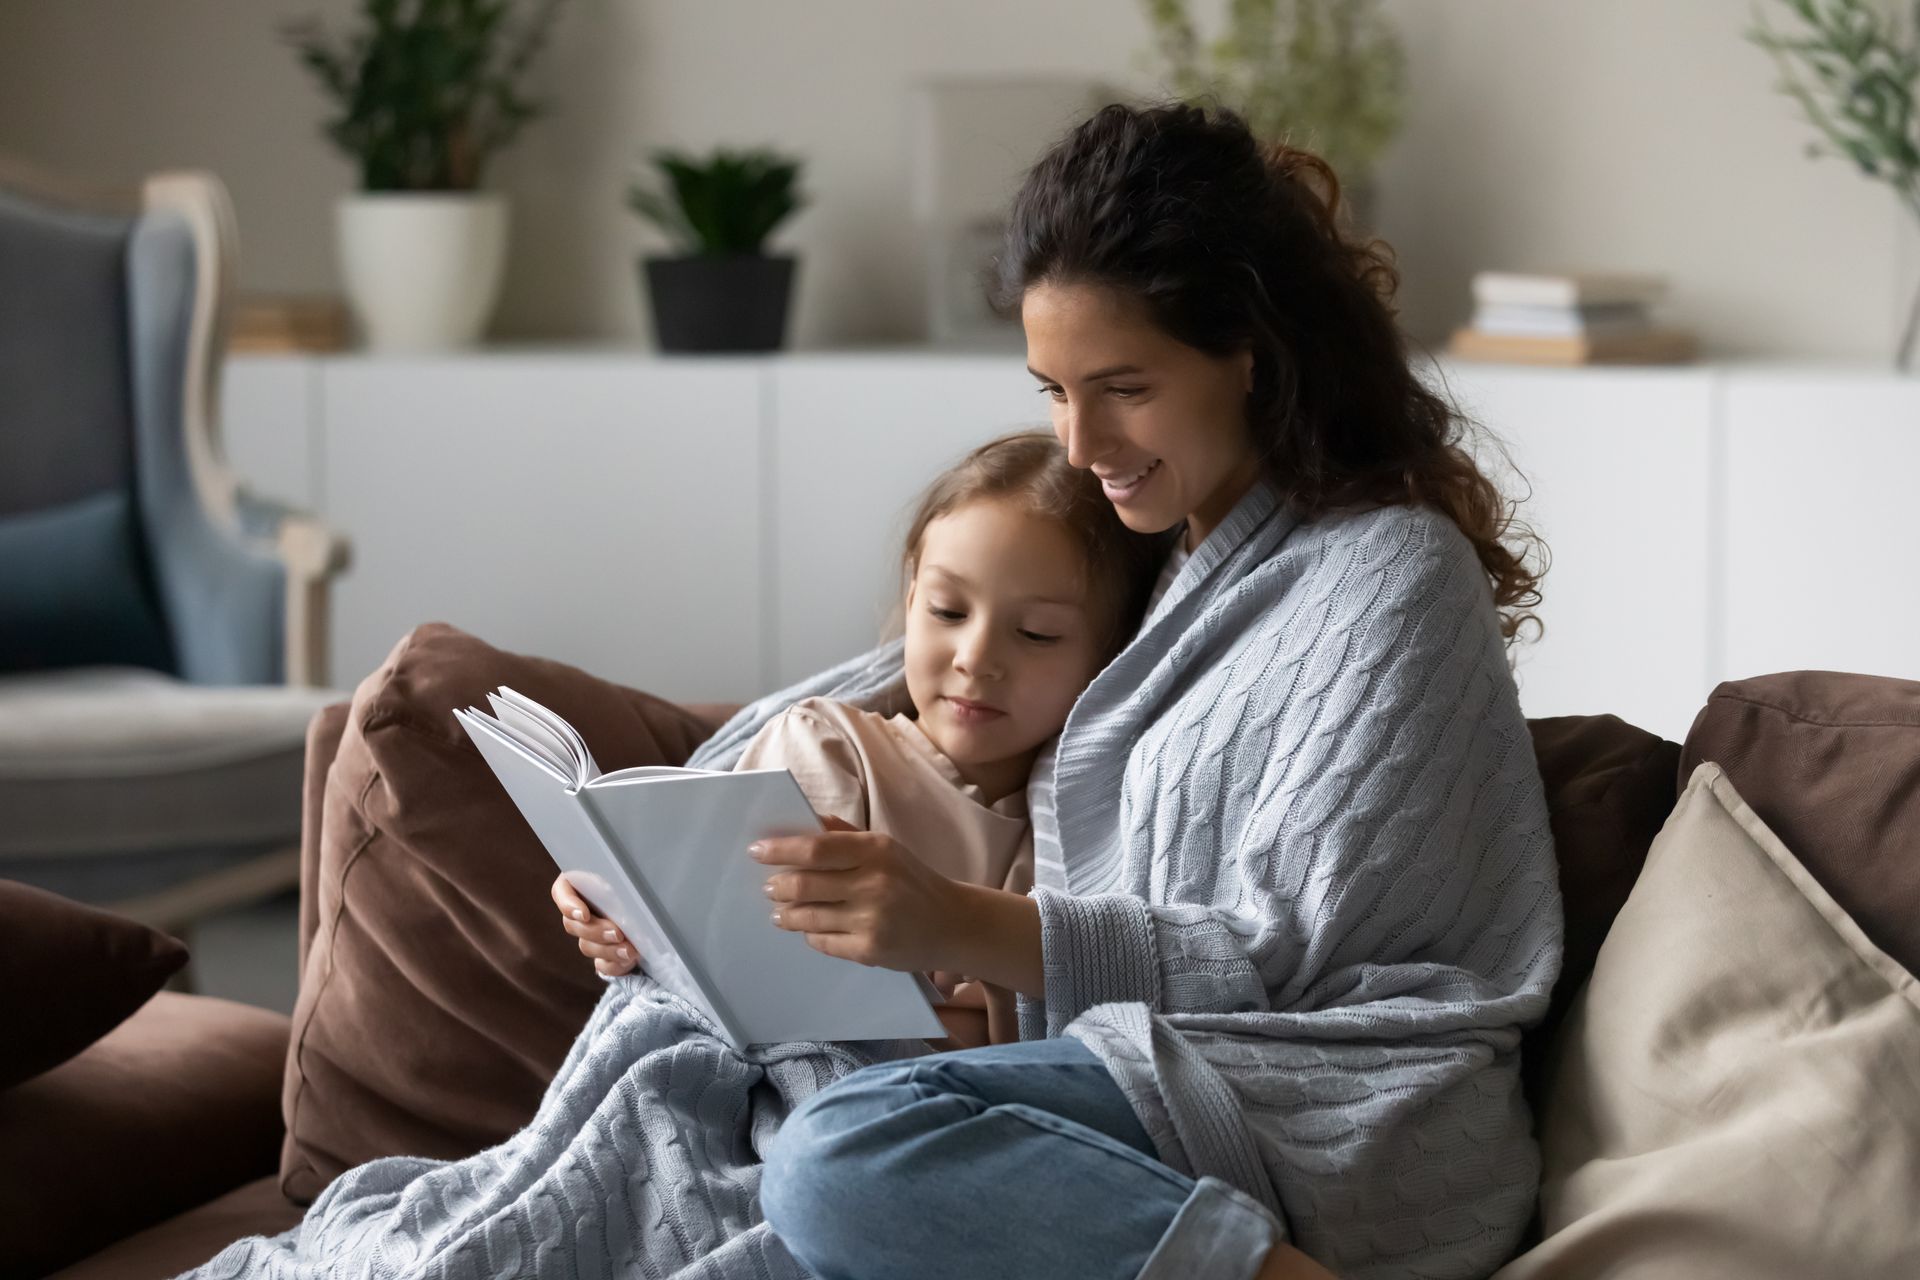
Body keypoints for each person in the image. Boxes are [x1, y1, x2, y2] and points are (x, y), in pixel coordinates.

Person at [688, 103, 1562, 1280]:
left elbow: (1284, 946)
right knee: (766, 1217)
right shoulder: (1157, 560)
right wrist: (661, 870)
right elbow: (925, 702)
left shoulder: (1391, 571)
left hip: (1337, 1103)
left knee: (837, 1153)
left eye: (1123, 387)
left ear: (1250, 353)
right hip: (1135, 1079)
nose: (1081, 440)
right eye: (1052, 388)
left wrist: (961, 922)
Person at [553, 430, 1167, 1050]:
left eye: (1036, 634)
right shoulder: (828, 750)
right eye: (948, 612)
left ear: (1112, 655)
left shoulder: (1096, 835)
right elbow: (727, 956)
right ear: (911, 600)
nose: (976, 659)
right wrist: (630, 923)